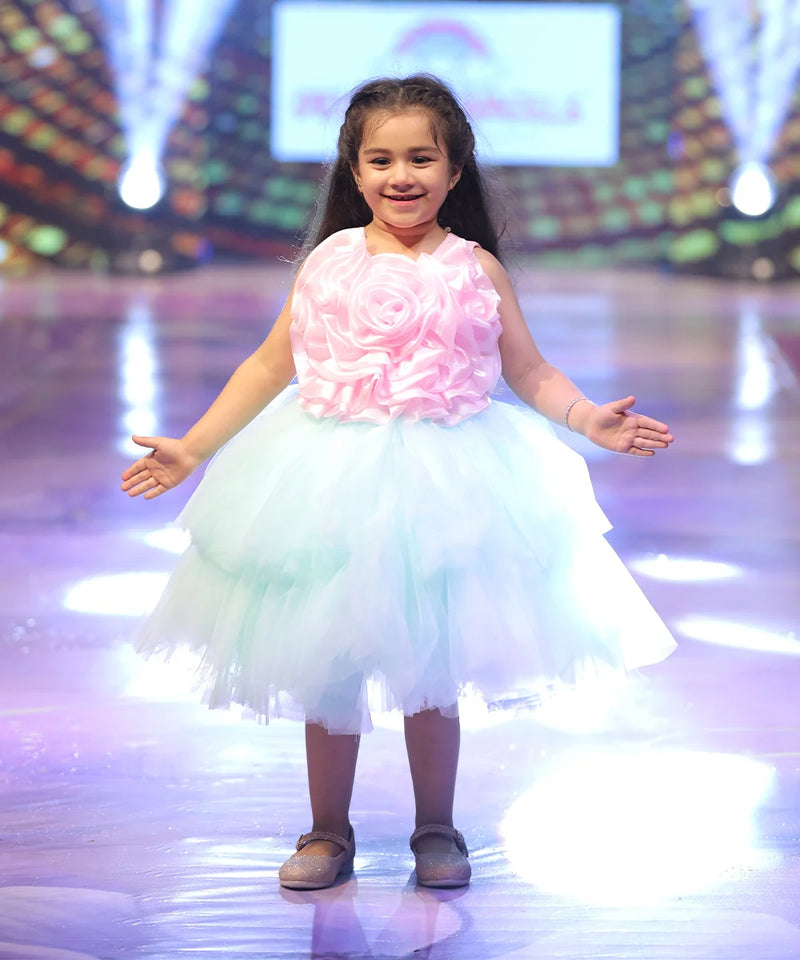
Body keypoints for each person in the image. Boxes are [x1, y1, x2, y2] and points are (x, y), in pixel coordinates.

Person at [122, 74, 676, 891]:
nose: (401, 176)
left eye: (422, 157)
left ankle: (437, 828)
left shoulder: (474, 266)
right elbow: (272, 363)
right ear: (354, 171)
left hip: (447, 482)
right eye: (380, 160)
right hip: (328, 480)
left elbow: (525, 368)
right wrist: (193, 447)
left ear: (455, 171)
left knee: (431, 662)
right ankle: (326, 831)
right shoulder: (328, 263)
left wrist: (589, 418)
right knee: (326, 656)